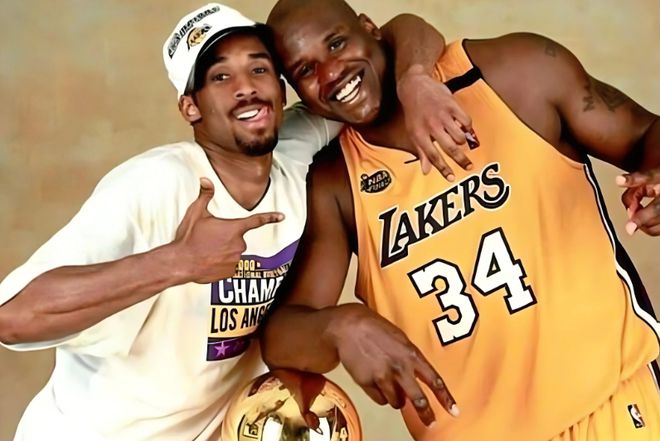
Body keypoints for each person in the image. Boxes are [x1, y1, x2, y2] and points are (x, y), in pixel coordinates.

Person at [0, 3, 477, 440]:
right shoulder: (157, 184)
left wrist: (415, 80)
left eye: (259, 68)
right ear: (191, 107)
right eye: (220, 77)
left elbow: (394, 35)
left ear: (280, 88)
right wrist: (177, 262)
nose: (245, 86)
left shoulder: (294, 149)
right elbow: (14, 316)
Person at [260, 0, 660, 440]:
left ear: (369, 28)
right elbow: (282, 336)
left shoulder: (510, 72)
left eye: (336, 44)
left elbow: (645, 132)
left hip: (612, 412)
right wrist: (341, 326)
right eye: (305, 70)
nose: (332, 72)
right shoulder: (334, 180)